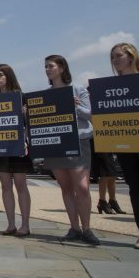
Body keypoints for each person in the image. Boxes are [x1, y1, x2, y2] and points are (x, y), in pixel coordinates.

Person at [42, 55, 99, 245]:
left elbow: (92, 114)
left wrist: (75, 107)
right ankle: (74, 227)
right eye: (46, 67)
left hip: (78, 140)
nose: (48, 69)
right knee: (65, 187)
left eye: (51, 66)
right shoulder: (46, 94)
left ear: (62, 68)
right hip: (56, 143)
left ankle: (87, 228)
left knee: (82, 187)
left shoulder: (78, 90)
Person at [109, 43, 139, 249]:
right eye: (113, 57)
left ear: (131, 56)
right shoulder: (110, 87)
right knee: (136, 189)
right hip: (126, 143)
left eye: (119, 55)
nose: (116, 60)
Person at [0, 64, 32, 237]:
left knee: (20, 184)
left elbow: (30, 124)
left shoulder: (21, 97)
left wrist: (25, 114)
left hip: (18, 146)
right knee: (5, 186)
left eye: (1, 75)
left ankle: (25, 225)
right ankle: (11, 224)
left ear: (9, 76)